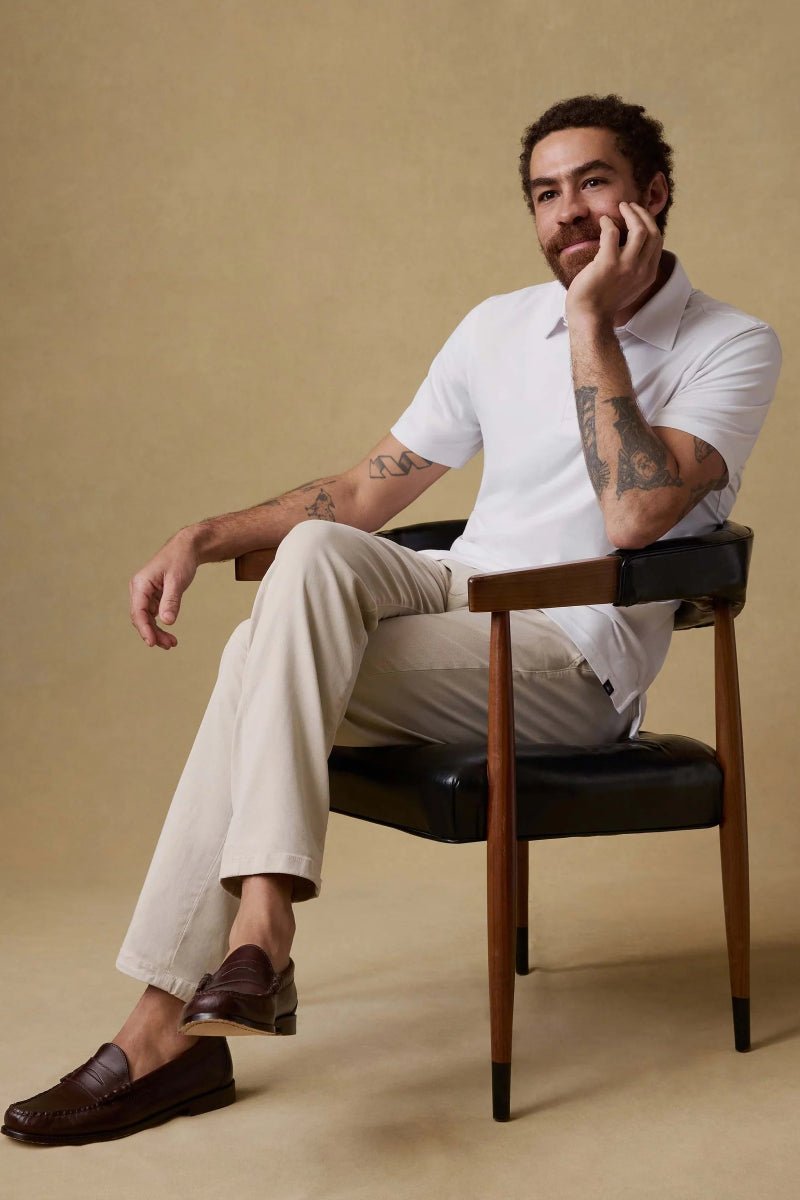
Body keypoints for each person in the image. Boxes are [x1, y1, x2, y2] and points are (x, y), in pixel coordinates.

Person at [2, 93, 781, 1145]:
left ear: (652, 195)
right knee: (314, 556)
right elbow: (362, 495)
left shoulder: (729, 344)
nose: (564, 215)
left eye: (591, 184)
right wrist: (203, 533)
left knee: (252, 660)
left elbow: (635, 511)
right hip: (459, 601)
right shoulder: (494, 326)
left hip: (564, 658)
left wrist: (592, 322)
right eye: (543, 194)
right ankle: (257, 933)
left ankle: (166, 1030)